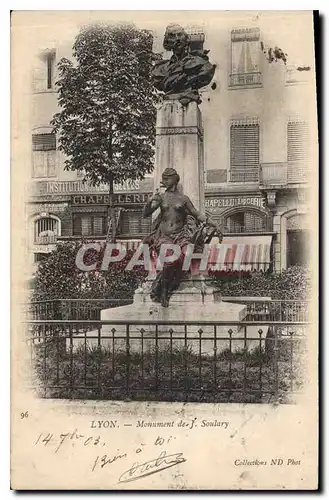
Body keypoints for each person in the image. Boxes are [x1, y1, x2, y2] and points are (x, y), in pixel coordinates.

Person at [142, 167, 222, 307]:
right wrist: (150, 202)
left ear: (174, 179)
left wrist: (214, 223)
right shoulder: (161, 198)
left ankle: (167, 285)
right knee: (171, 260)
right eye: (163, 178)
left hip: (180, 236)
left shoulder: (183, 199)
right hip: (164, 236)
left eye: (167, 178)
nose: (164, 181)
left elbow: (197, 214)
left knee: (186, 256)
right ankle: (164, 291)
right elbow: (146, 214)